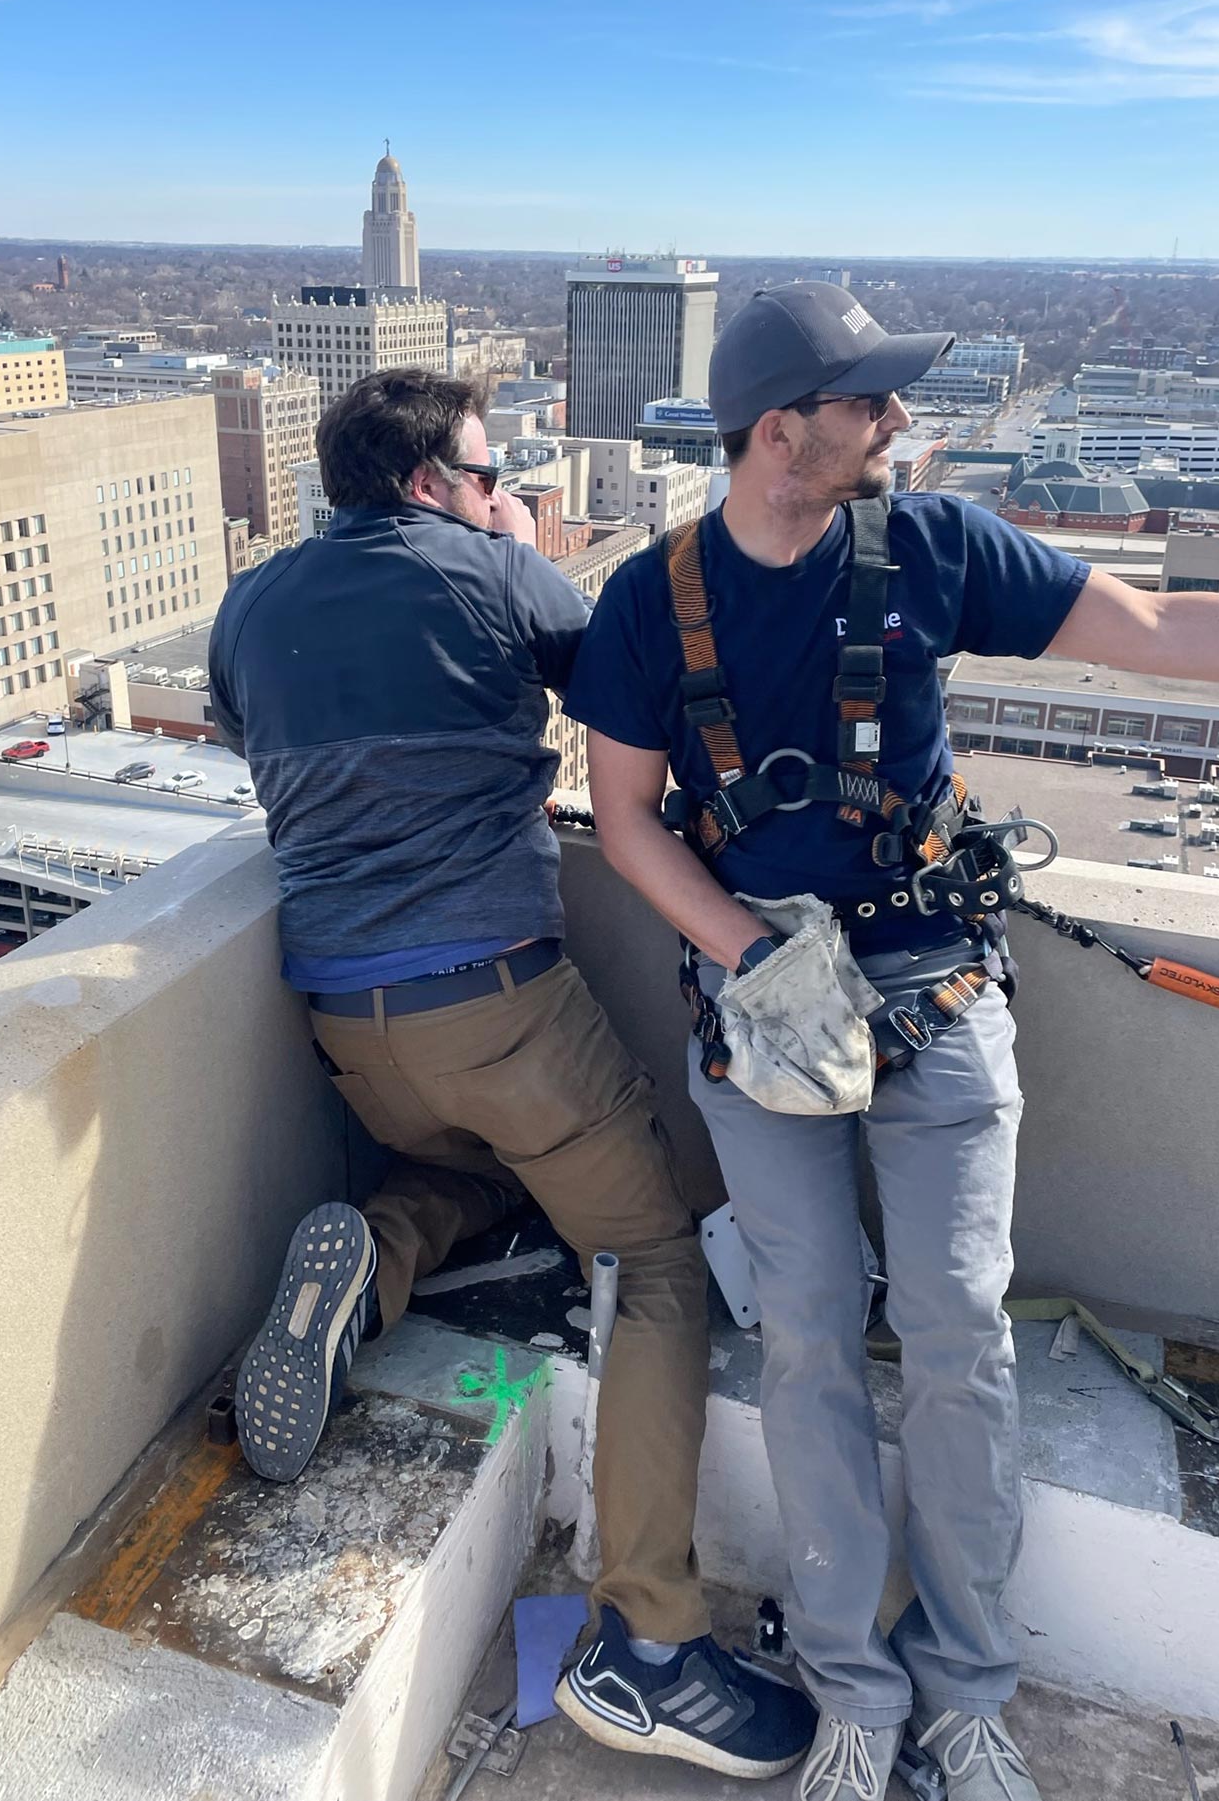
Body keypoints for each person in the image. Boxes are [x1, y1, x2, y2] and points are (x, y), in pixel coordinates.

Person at [563, 283, 1219, 1801]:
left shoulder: (930, 549)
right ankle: (853, 1687)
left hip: (942, 996)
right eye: (870, 402)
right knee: (811, 1343)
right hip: (769, 1024)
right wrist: (755, 954)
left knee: (964, 1337)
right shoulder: (654, 600)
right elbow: (626, 816)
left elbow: (1155, 626)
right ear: (783, 431)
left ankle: (966, 1692)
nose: (898, 422)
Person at [208, 365, 812, 1779]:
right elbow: (631, 695)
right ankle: (653, 1638)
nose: (501, 494)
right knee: (654, 1256)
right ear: (433, 484)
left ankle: (376, 1246)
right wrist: (522, 560)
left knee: (461, 1166)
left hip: (351, 1031)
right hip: (499, 1004)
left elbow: (262, 745)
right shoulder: (490, 568)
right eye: (487, 477)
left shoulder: (253, 602)